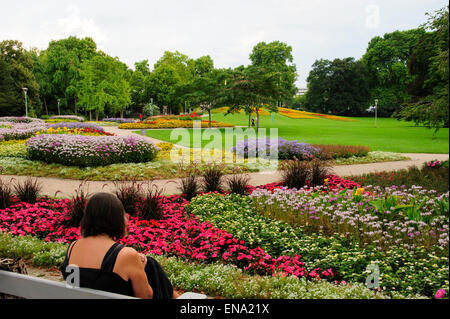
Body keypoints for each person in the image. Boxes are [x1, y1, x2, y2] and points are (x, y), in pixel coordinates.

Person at [60, 192, 179, 299]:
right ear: (115, 219)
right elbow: (146, 296)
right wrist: (140, 267)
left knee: (150, 264)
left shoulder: (73, 247)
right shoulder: (126, 255)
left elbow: (75, 283)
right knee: (151, 265)